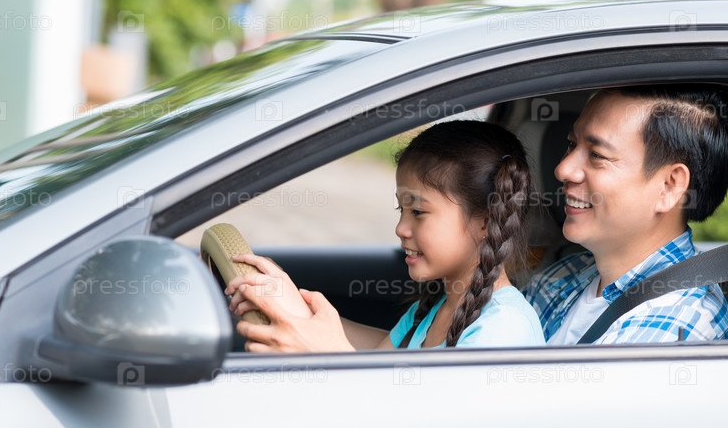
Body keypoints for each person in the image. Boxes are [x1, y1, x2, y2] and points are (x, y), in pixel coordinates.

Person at [224, 120, 545, 352]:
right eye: (400, 210)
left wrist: (326, 352)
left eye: (417, 212)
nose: (400, 229)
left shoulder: (502, 330)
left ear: (486, 221)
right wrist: (293, 304)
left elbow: (414, 424)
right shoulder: (434, 310)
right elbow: (381, 359)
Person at [523, 84, 728, 344]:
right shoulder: (566, 273)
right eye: (571, 144)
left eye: (597, 155)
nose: (563, 169)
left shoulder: (676, 325)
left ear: (669, 186)